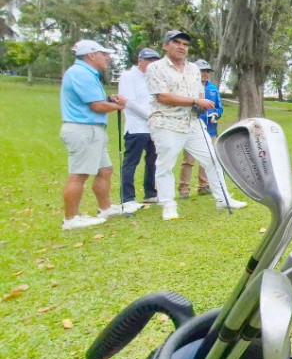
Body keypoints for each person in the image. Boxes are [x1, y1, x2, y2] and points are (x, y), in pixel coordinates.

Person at [146, 30, 246, 220]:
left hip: (193, 122)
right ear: (165, 45)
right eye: (176, 43)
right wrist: (195, 101)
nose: (182, 47)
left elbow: (199, 93)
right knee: (166, 164)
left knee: (213, 158)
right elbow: (163, 96)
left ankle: (223, 198)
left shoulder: (193, 68)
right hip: (167, 122)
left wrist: (200, 104)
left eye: (185, 44)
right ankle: (168, 204)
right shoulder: (156, 68)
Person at [60, 39, 139, 230]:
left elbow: (96, 100)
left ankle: (105, 208)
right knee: (79, 174)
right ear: (91, 55)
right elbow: (96, 105)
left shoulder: (87, 74)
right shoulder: (80, 73)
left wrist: (110, 99)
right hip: (83, 129)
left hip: (92, 129)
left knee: (105, 170)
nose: (107, 58)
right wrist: (117, 105)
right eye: (104, 54)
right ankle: (71, 219)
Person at [117, 47, 160, 212]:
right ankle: (127, 198)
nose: (151, 64)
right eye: (148, 60)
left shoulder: (153, 78)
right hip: (136, 128)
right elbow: (128, 102)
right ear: (140, 60)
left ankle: (150, 192)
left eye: (154, 61)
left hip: (153, 127)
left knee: (152, 161)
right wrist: (150, 116)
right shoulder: (129, 76)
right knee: (131, 163)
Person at [178, 59, 223, 199]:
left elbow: (218, 107)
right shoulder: (189, 87)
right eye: (202, 71)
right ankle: (184, 189)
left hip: (210, 129)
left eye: (207, 71)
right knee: (188, 161)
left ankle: (204, 186)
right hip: (193, 129)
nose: (205, 74)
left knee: (209, 159)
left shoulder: (213, 89)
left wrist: (216, 113)